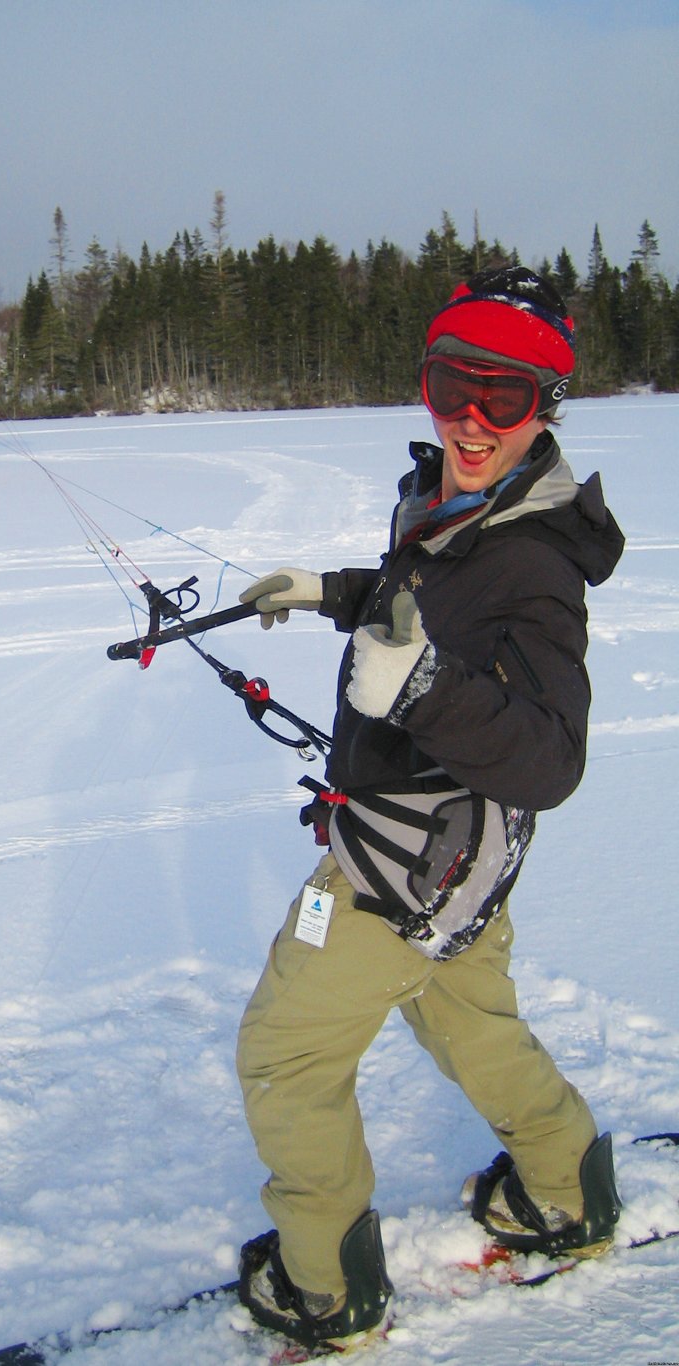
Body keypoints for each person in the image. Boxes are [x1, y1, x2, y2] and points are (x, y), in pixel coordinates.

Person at [233, 266, 626, 1353]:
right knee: (468, 1018)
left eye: (503, 396)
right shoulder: (463, 501)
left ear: (546, 404)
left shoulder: (534, 565)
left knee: (285, 1054)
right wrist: (332, 591)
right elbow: (428, 601)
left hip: (394, 866)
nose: (469, 417)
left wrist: (412, 689)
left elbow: (549, 757)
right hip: (463, 872)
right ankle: (568, 1194)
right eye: (451, 381)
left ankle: (326, 1290)